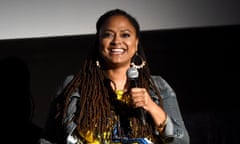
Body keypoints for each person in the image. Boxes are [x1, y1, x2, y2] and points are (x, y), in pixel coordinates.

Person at [38, 9, 189, 144]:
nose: (116, 41)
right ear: (99, 42)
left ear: (136, 43)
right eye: (108, 34)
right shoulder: (74, 86)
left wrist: (150, 106)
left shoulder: (157, 86)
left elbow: (181, 141)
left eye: (125, 34)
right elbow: (49, 139)